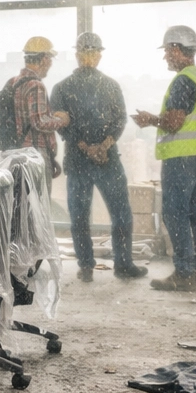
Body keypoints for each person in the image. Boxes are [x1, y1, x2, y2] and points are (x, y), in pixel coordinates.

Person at [50, 32, 146, 282]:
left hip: (80, 159)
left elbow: (62, 125)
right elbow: (120, 119)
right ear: (96, 55)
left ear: (77, 54)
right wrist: (103, 146)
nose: (91, 57)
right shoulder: (110, 86)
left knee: (80, 216)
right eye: (91, 52)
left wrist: (87, 146)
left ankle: (86, 265)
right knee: (120, 213)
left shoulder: (62, 88)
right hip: (106, 160)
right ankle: (122, 264)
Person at [132, 25, 196, 291]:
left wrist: (150, 120)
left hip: (182, 158)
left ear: (177, 49)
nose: (166, 57)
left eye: (167, 51)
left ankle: (183, 274)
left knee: (174, 213)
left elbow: (174, 121)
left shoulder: (183, 80)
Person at [0, 36, 69, 178]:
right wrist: (62, 121)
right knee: (40, 199)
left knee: (24, 198)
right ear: (44, 59)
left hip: (17, 152)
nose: (50, 64)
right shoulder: (36, 85)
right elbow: (39, 122)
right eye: (50, 59)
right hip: (35, 153)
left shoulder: (13, 83)